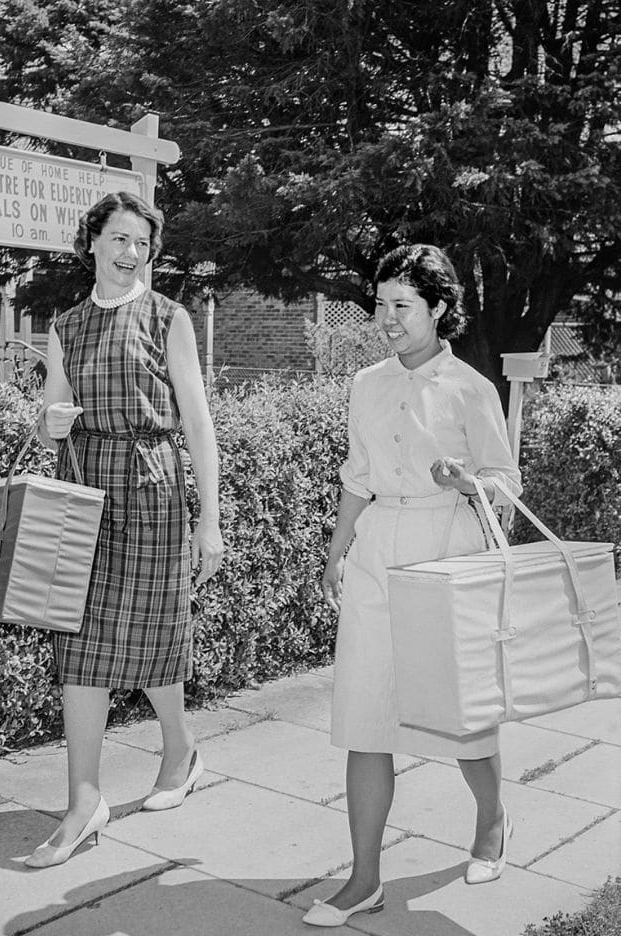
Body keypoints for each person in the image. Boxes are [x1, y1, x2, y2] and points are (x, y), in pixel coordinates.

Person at [303, 245, 522, 927]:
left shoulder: (471, 389)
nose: (385, 318)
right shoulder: (366, 383)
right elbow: (357, 476)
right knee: (366, 719)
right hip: (378, 554)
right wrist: (336, 553)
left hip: (445, 553)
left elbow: (506, 486)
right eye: (380, 304)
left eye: (401, 305)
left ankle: (492, 820)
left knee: (459, 716)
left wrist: (469, 483)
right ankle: (364, 877)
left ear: (437, 309)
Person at [25, 191, 224, 869]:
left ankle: (180, 749)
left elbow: (197, 423)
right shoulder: (66, 324)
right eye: (118, 238)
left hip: (153, 486)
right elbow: (49, 411)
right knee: (79, 643)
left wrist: (212, 521)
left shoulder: (168, 318)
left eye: (141, 242)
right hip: (84, 490)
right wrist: (47, 421)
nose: (129, 252)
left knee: (155, 630)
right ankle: (84, 801)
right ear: (93, 243)